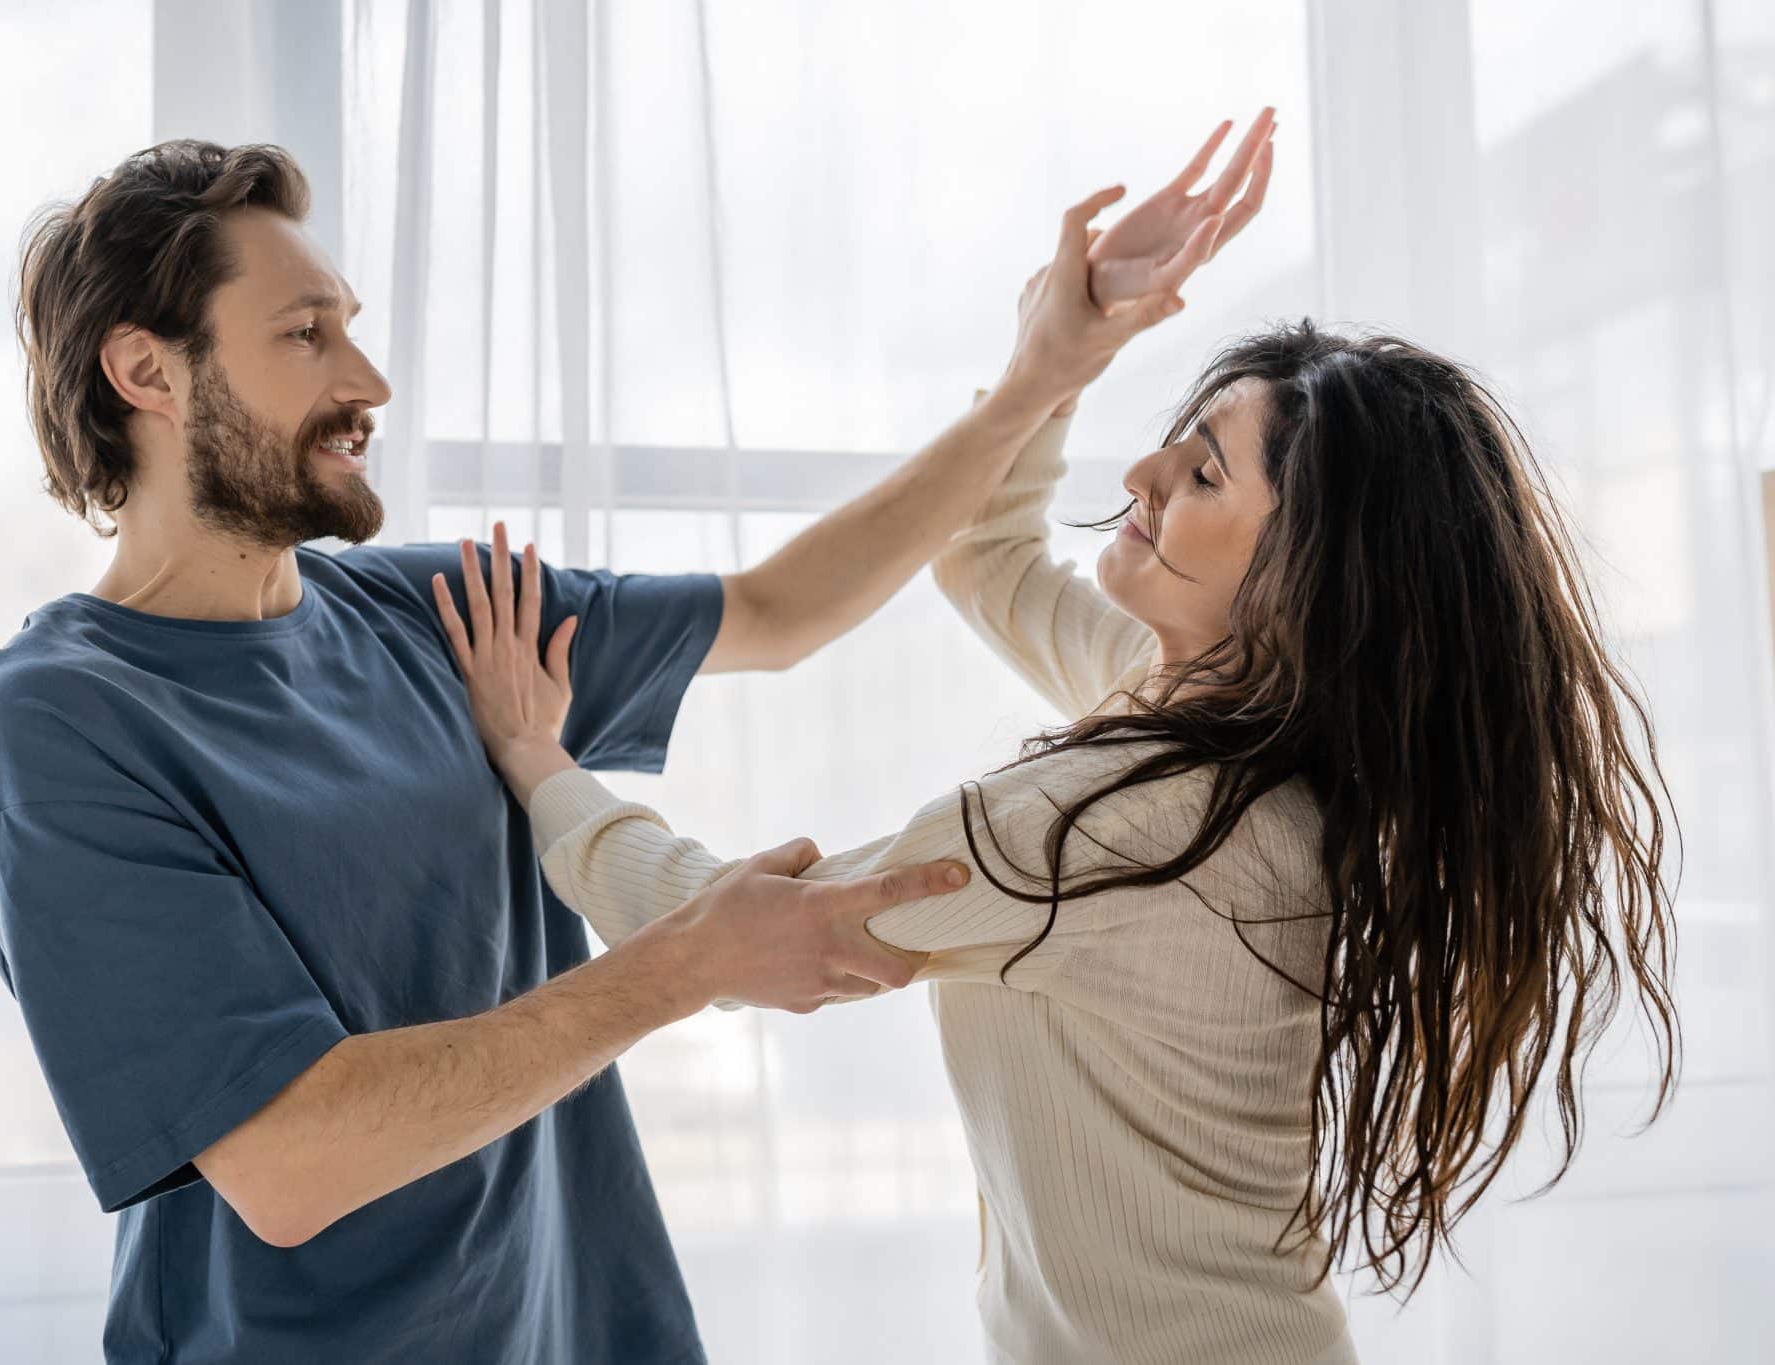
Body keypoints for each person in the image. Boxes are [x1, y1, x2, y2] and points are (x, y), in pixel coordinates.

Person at [0, 113, 1273, 1364]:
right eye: (306, 336)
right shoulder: (65, 718)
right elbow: (291, 1160)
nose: (369, 382)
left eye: (351, 329)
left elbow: (776, 611)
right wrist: (684, 964)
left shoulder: (430, 612)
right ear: (146, 372)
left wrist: (1041, 375)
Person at [436, 153, 1680, 1365]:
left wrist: (538, 759)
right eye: (1173, 442)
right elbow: (983, 556)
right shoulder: (1238, 734)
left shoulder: (1106, 826)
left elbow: (729, 926)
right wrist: (1063, 358)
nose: (1140, 475)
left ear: (1303, 575)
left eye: (1199, 474)